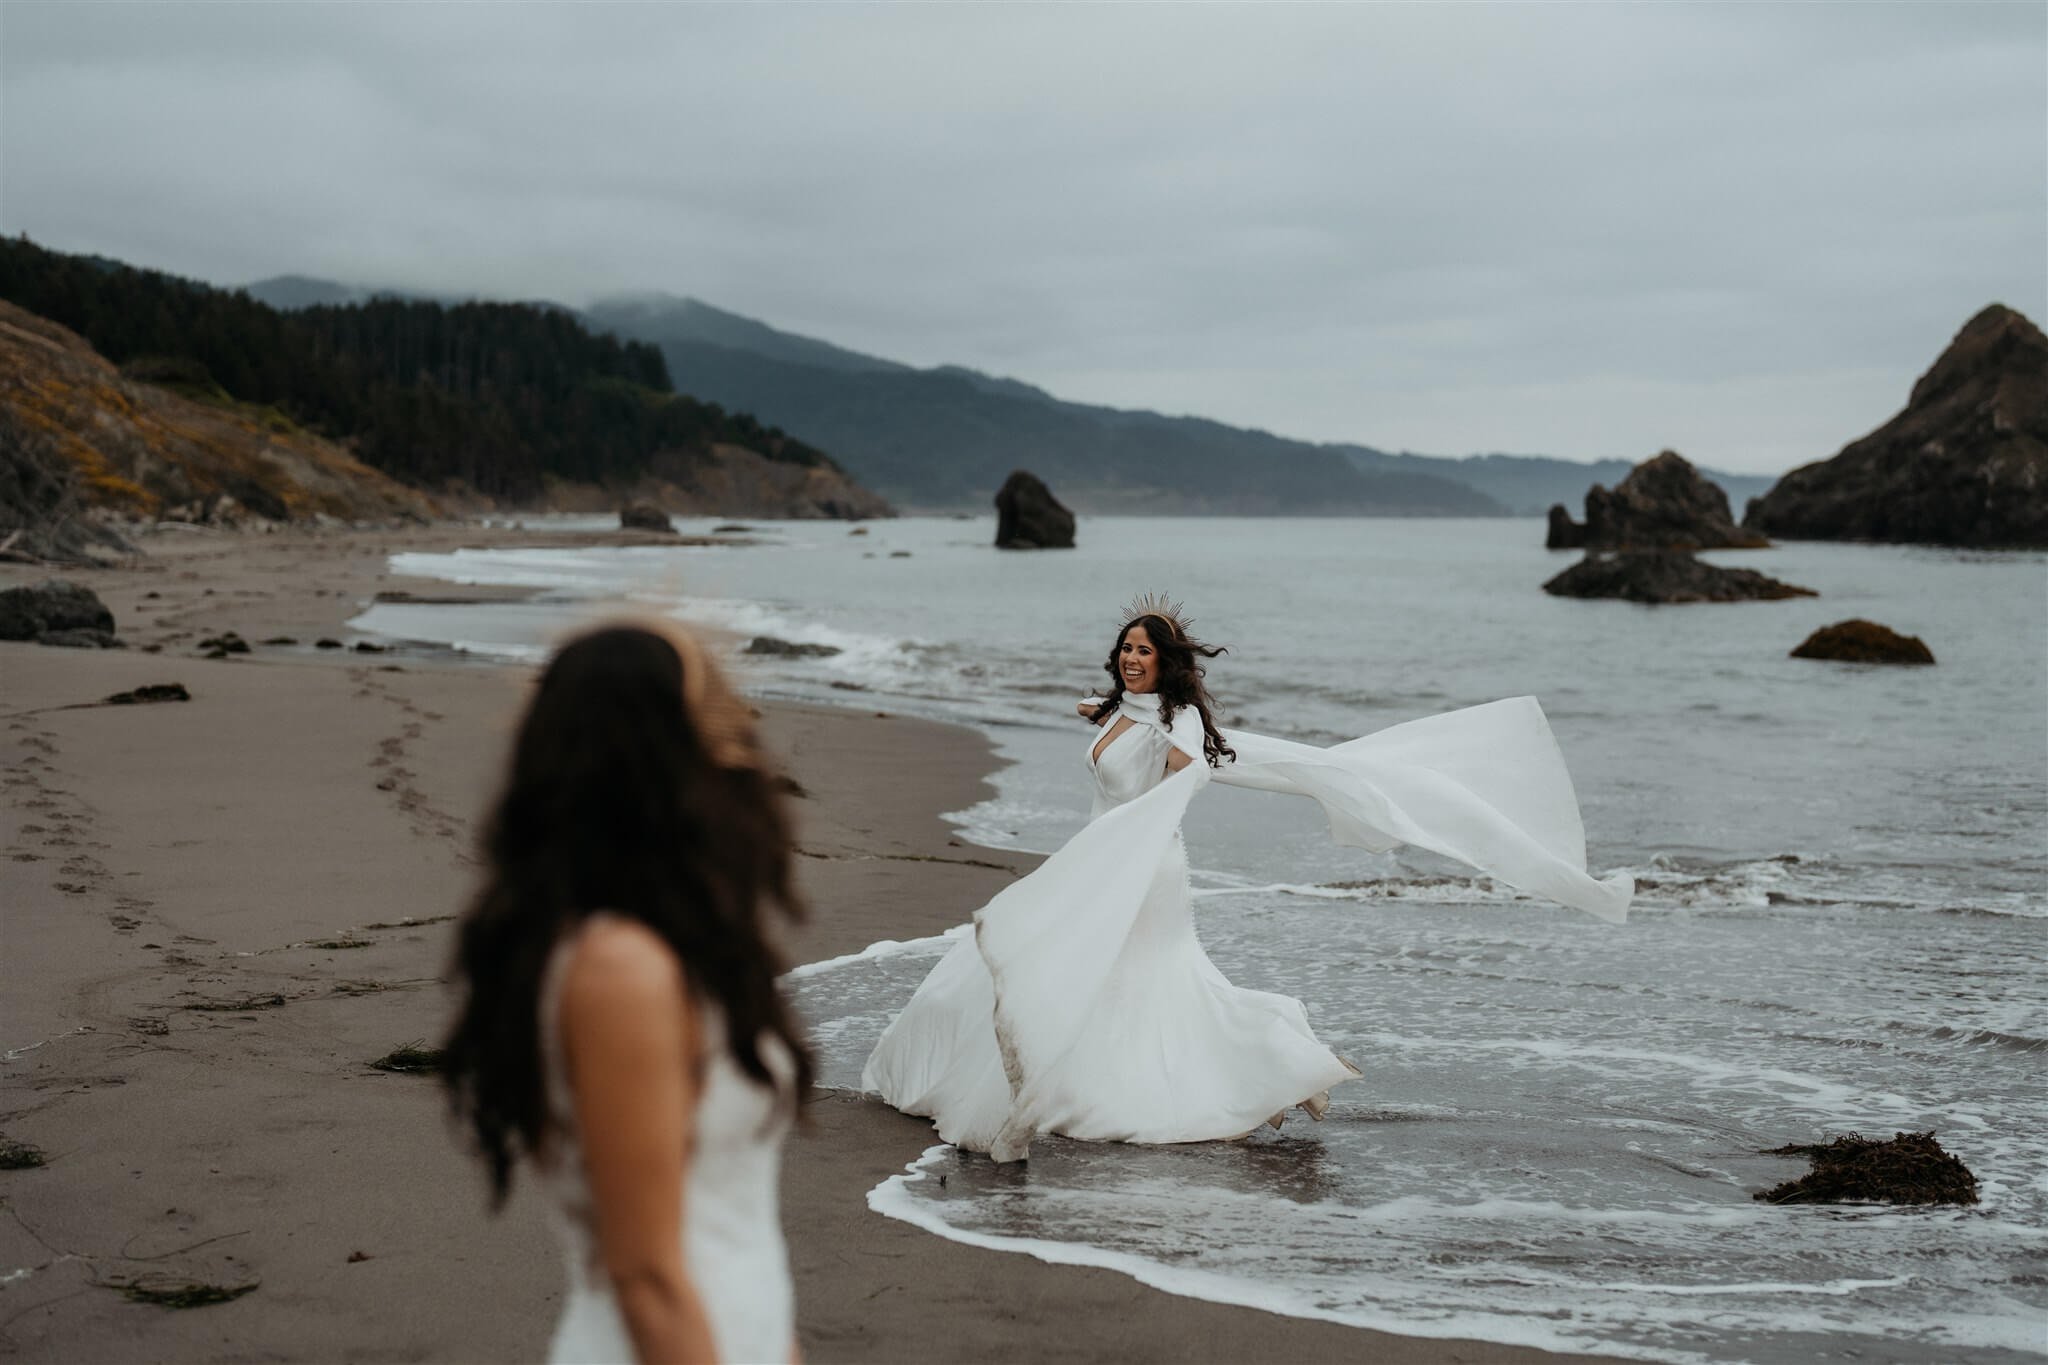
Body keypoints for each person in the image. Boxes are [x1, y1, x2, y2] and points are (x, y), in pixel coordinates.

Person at [863, 594, 1633, 1163]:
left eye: (1145, 650)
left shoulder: (1179, 720)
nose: (1133, 656)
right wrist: (1105, 710)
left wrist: (1165, 771)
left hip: (1145, 867)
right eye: (1125, 647)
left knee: (1142, 980)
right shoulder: (1123, 708)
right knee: (1112, 984)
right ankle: (1238, 1063)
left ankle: (1266, 1063)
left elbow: (1188, 770)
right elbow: (1120, 734)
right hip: (1098, 858)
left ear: (1167, 662)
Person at [442, 622, 812, 1365]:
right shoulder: (620, 969)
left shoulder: (665, 944)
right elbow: (646, 1275)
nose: (743, 737)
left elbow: (733, 1225)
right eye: (718, 712)